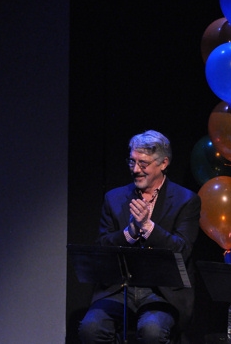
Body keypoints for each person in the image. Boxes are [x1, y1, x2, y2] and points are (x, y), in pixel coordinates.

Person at [78, 130, 201, 344]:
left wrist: (148, 227)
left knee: (152, 331)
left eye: (143, 164)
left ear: (163, 163)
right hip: (119, 289)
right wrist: (131, 232)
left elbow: (182, 249)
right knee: (91, 328)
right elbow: (101, 246)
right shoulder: (115, 198)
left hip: (162, 292)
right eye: (132, 162)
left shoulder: (186, 200)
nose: (136, 170)